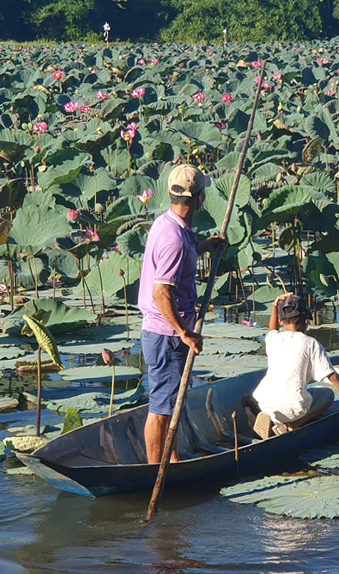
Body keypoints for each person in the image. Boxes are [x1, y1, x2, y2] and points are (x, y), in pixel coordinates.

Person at [139, 163, 225, 464]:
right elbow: (161, 293)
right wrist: (184, 333)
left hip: (166, 333)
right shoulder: (173, 238)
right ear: (199, 198)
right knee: (162, 409)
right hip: (166, 335)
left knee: (171, 402)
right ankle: (154, 470)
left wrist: (203, 247)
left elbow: (181, 255)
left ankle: (172, 461)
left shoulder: (171, 225)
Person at [250, 293, 339, 439]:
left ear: (281, 322)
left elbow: (272, 329)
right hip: (293, 408)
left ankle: (271, 417)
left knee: (283, 395)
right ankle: (294, 424)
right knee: (327, 395)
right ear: (307, 321)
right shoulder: (311, 343)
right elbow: (332, 376)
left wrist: (275, 306)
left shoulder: (274, 339)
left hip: (264, 402)